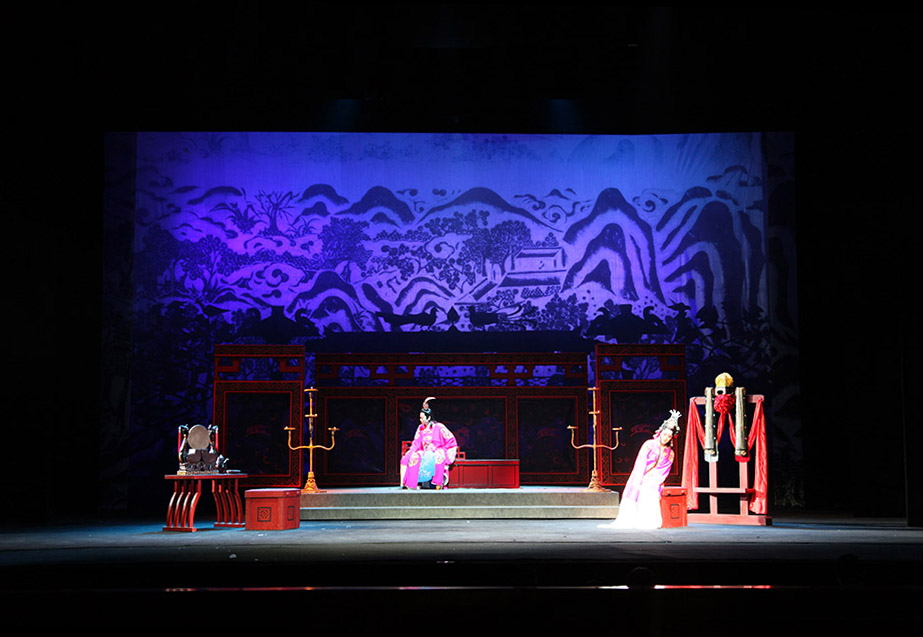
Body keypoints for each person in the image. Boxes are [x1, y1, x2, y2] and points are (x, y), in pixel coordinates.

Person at [604, 409, 681, 529]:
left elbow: (664, 470)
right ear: (660, 432)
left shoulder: (670, 453)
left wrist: (655, 478)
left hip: (656, 478)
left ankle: (649, 520)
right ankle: (636, 518)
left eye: (669, 436)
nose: (666, 438)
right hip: (643, 474)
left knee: (651, 488)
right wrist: (641, 477)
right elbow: (640, 463)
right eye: (665, 434)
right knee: (641, 486)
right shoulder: (649, 444)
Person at [400, 397, 459, 490]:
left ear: (429, 417)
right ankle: (411, 484)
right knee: (413, 457)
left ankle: (438, 484)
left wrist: (447, 450)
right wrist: (410, 452)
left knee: (439, 457)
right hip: (424, 451)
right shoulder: (420, 428)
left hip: (436, 451)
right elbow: (416, 442)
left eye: (422, 418)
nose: (420, 420)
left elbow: (450, 440)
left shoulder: (439, 427)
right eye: (420, 418)